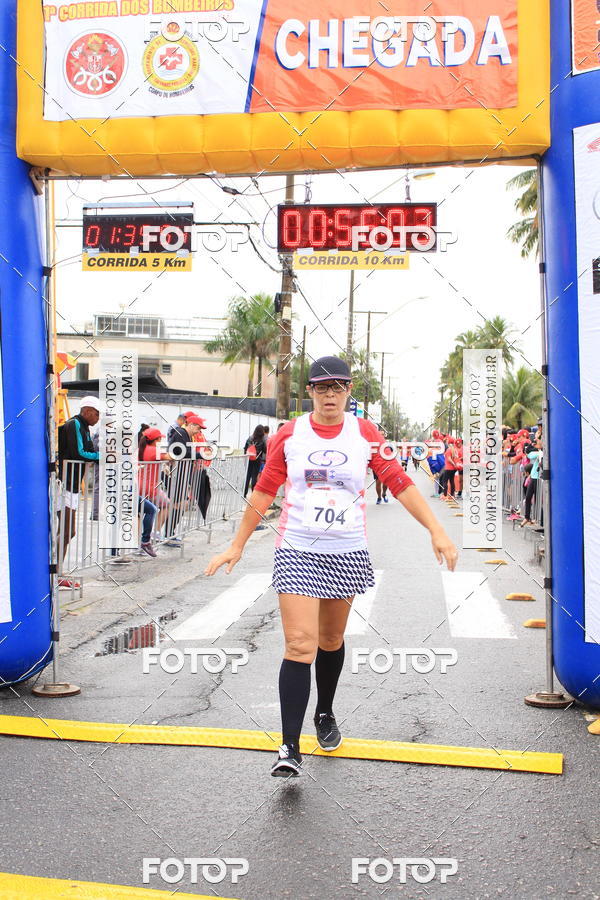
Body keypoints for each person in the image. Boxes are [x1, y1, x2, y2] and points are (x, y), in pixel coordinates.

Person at [205, 355, 458, 778]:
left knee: (330, 638)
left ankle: (324, 711)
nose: (329, 394)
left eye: (337, 387)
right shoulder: (290, 434)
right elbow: (266, 490)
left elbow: (397, 480)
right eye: (321, 387)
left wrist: (436, 528)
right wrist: (237, 545)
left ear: (348, 390)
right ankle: (289, 746)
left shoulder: (364, 433)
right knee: (299, 645)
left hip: (346, 549)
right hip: (297, 548)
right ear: (310, 392)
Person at [57, 396, 100, 588]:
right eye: (97, 414)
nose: (98, 418)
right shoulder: (74, 423)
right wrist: (102, 456)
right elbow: (78, 453)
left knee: (69, 531)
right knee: (66, 530)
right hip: (64, 483)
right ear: (87, 411)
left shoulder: (86, 428)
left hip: (73, 485)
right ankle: (55, 572)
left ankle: (57, 571)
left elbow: (88, 450)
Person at [165, 414, 204, 543]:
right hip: (175, 473)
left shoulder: (184, 434)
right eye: (198, 428)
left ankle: (169, 533)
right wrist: (201, 455)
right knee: (178, 503)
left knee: (181, 503)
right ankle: (168, 533)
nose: (199, 431)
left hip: (179, 473)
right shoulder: (181, 433)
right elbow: (182, 453)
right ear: (191, 425)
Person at [139, 427, 172, 542]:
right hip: (150, 487)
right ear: (155, 440)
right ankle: (155, 533)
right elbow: (170, 457)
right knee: (166, 504)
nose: (161, 442)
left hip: (139, 484)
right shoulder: (153, 450)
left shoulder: (141, 449)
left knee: (141, 512)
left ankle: (141, 538)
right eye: (160, 439)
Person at [243, 425, 267, 497]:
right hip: (257, 460)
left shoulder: (250, 438)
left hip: (249, 459)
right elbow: (265, 450)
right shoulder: (262, 440)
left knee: (247, 476)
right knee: (254, 477)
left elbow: (245, 448)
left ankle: (244, 493)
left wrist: (247, 456)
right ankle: (253, 495)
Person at [374, 424, 389, 504]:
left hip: (386, 464)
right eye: (380, 434)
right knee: (378, 482)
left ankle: (384, 493)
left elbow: (392, 454)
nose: (381, 436)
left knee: (385, 482)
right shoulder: (375, 443)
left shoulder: (387, 444)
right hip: (376, 465)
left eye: (383, 434)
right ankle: (379, 497)